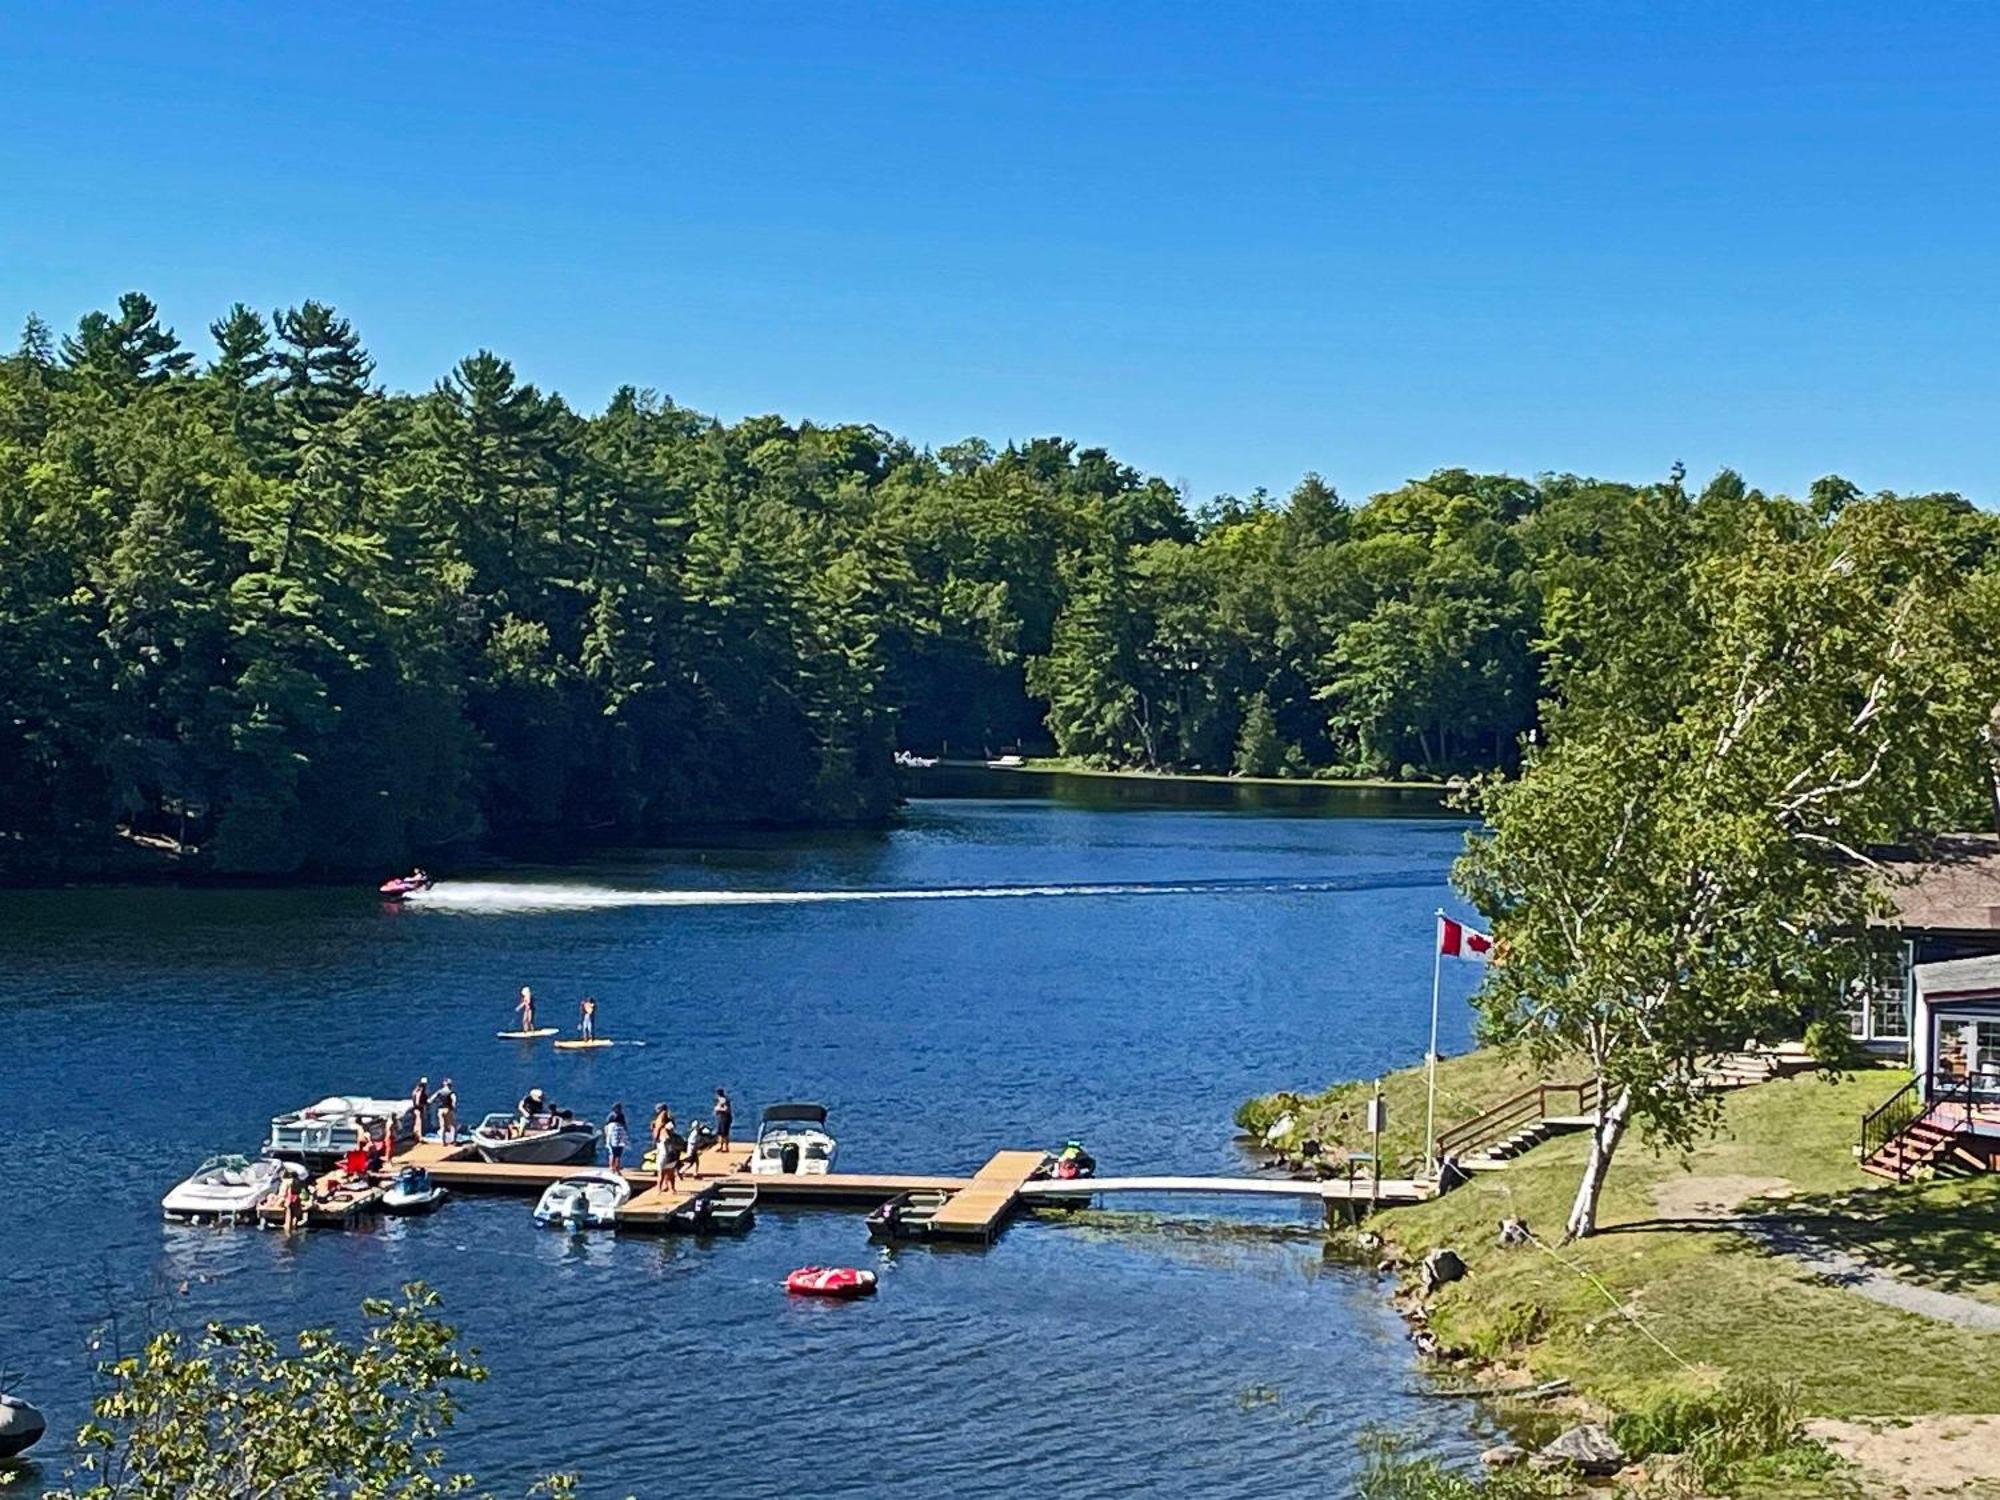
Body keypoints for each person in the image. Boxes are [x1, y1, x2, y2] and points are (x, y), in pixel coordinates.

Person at [652, 1103, 678, 1193]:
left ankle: (659, 1189)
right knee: (670, 1171)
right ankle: (671, 1188)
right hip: (672, 1151)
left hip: (664, 1150)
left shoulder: (661, 1122)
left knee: (661, 1171)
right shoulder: (671, 1124)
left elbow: (657, 1134)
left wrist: (655, 1134)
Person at [605, 1103, 629, 1171]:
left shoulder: (610, 1116)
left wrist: (607, 1135)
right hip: (618, 1136)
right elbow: (624, 1126)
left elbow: (606, 1126)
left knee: (613, 1152)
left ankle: (613, 1167)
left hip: (613, 1136)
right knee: (617, 1153)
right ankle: (615, 1167)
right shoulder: (620, 1116)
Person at [434, 1078, 458, 1144]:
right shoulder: (451, 1092)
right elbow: (454, 1101)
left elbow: (431, 1099)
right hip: (448, 1109)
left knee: (443, 1126)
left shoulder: (439, 1091)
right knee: (453, 1125)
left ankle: (443, 1141)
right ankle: (453, 1140)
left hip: (440, 1110)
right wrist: (454, 1107)